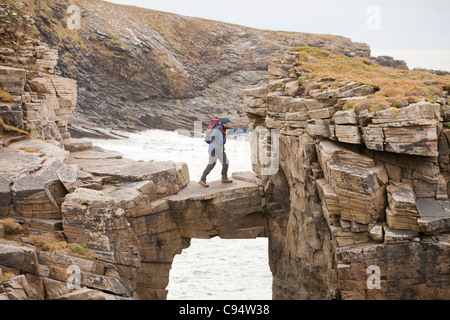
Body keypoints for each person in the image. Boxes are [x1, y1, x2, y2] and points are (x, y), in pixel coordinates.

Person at [199, 117, 249, 187]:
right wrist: (215, 145)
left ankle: (224, 178)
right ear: (223, 123)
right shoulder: (218, 129)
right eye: (227, 123)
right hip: (214, 150)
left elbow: (236, 130)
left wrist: (249, 131)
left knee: (225, 163)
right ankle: (202, 180)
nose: (228, 124)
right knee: (211, 165)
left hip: (220, 150)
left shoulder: (225, 129)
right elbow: (212, 137)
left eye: (229, 123)